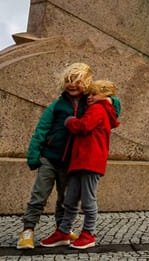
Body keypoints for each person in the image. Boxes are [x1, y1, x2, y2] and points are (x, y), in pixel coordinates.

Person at [16, 62, 93, 249]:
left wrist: (109, 100)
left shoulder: (90, 103)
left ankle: (62, 230)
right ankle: (28, 231)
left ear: (87, 83)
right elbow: (41, 129)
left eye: (77, 81)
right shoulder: (57, 105)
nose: (72, 85)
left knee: (65, 200)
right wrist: (34, 155)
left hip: (72, 161)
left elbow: (114, 107)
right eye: (68, 81)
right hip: (50, 158)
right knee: (38, 196)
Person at [40, 79, 122, 250]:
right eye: (89, 93)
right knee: (70, 199)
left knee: (88, 200)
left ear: (105, 96)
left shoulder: (98, 109)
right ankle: (63, 231)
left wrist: (69, 121)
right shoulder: (99, 107)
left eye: (94, 94)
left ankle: (89, 233)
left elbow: (84, 126)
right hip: (81, 161)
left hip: (90, 161)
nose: (89, 97)